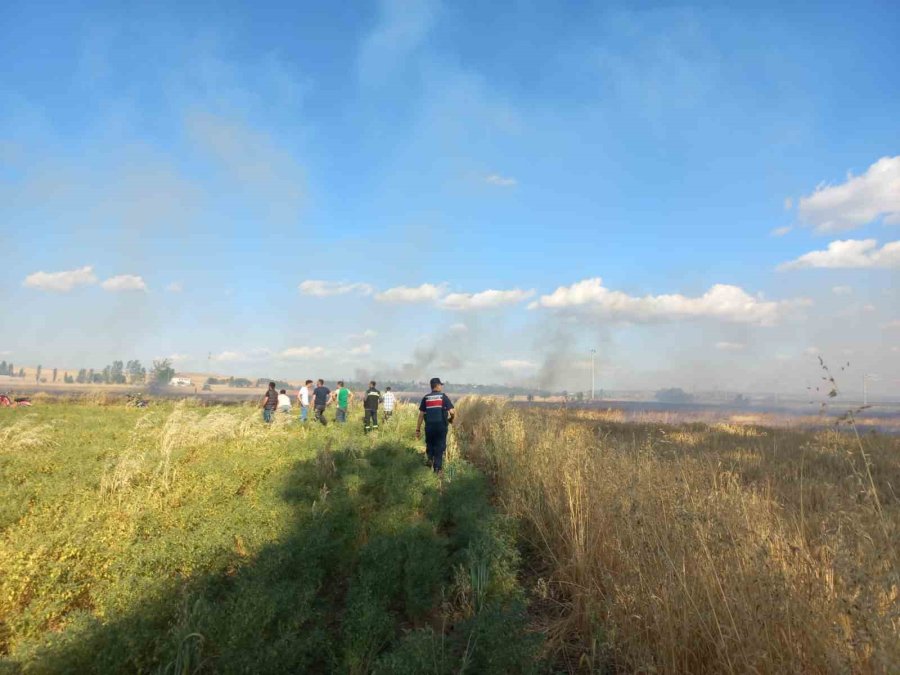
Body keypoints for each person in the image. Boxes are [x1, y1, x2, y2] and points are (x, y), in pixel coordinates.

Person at [416, 377, 455, 473]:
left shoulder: (426, 398)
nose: (441, 386)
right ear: (437, 385)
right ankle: (437, 468)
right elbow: (452, 411)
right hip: (441, 426)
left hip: (429, 426)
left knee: (430, 444)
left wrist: (417, 429)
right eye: (440, 385)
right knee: (440, 446)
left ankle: (430, 461)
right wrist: (451, 419)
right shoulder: (443, 397)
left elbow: (421, 415)